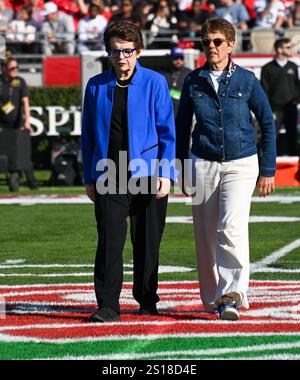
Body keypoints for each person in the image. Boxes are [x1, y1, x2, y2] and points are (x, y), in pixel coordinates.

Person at [176, 18, 276, 321]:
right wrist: (180, 167)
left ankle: (233, 295)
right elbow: (182, 128)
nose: (211, 47)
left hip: (241, 163)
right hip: (202, 162)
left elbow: (267, 123)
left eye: (217, 41)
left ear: (231, 45)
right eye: (206, 42)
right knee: (204, 236)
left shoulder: (247, 80)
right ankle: (213, 299)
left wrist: (268, 169)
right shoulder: (193, 80)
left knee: (230, 228)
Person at [81, 21, 176, 322]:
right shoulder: (95, 86)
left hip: (148, 173)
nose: (121, 57)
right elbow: (87, 135)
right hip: (108, 173)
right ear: (107, 53)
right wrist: (88, 177)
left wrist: (166, 173)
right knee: (109, 240)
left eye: (127, 51)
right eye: (114, 52)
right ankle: (108, 305)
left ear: (138, 51)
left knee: (147, 241)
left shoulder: (155, 82)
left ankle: (147, 298)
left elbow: (167, 132)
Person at [0, 54, 38, 191]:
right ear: (4, 68)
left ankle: (32, 182)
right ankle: (13, 178)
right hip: (2, 124)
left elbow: (25, 102)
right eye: (12, 68)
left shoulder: (20, 81)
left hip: (17, 123)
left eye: (17, 67)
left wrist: (27, 121)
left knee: (22, 153)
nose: (15, 70)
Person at [261, 38, 299, 156]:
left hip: (290, 107)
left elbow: (296, 86)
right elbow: (264, 91)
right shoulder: (267, 68)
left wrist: (296, 99)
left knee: (293, 134)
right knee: (272, 135)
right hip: (274, 109)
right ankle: (271, 162)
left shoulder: (293, 66)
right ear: (279, 49)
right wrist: (268, 108)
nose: (291, 49)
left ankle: (294, 163)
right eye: (288, 47)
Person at [162, 45, 192, 116]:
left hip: (184, 112)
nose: (178, 61)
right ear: (171, 58)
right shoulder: (163, 74)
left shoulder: (189, 73)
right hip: (167, 113)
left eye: (181, 58)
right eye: (175, 58)